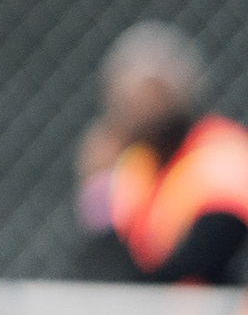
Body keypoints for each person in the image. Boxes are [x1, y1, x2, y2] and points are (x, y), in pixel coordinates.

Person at [81, 21, 248, 285]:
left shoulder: (221, 152)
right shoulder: (140, 165)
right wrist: (99, 189)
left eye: (150, 94)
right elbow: (107, 267)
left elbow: (197, 267)